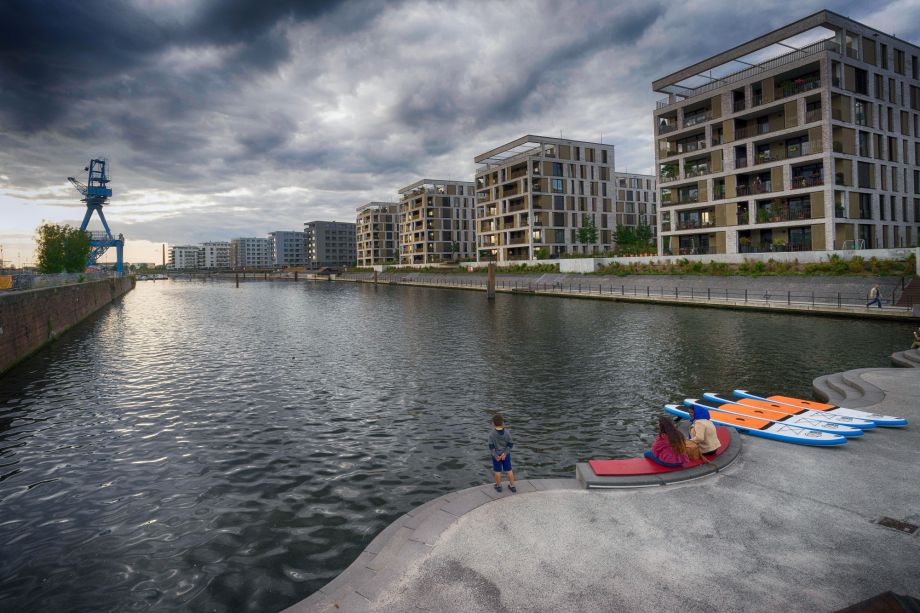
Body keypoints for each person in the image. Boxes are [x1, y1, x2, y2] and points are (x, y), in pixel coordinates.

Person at [489, 414, 516, 492]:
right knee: (509, 470)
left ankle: (498, 486)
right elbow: (510, 444)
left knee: (497, 471)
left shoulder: (491, 434)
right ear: (503, 423)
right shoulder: (507, 433)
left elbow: (491, 447)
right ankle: (512, 486)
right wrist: (505, 453)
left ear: (493, 423)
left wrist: (496, 455)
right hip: (506, 455)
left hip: (496, 456)